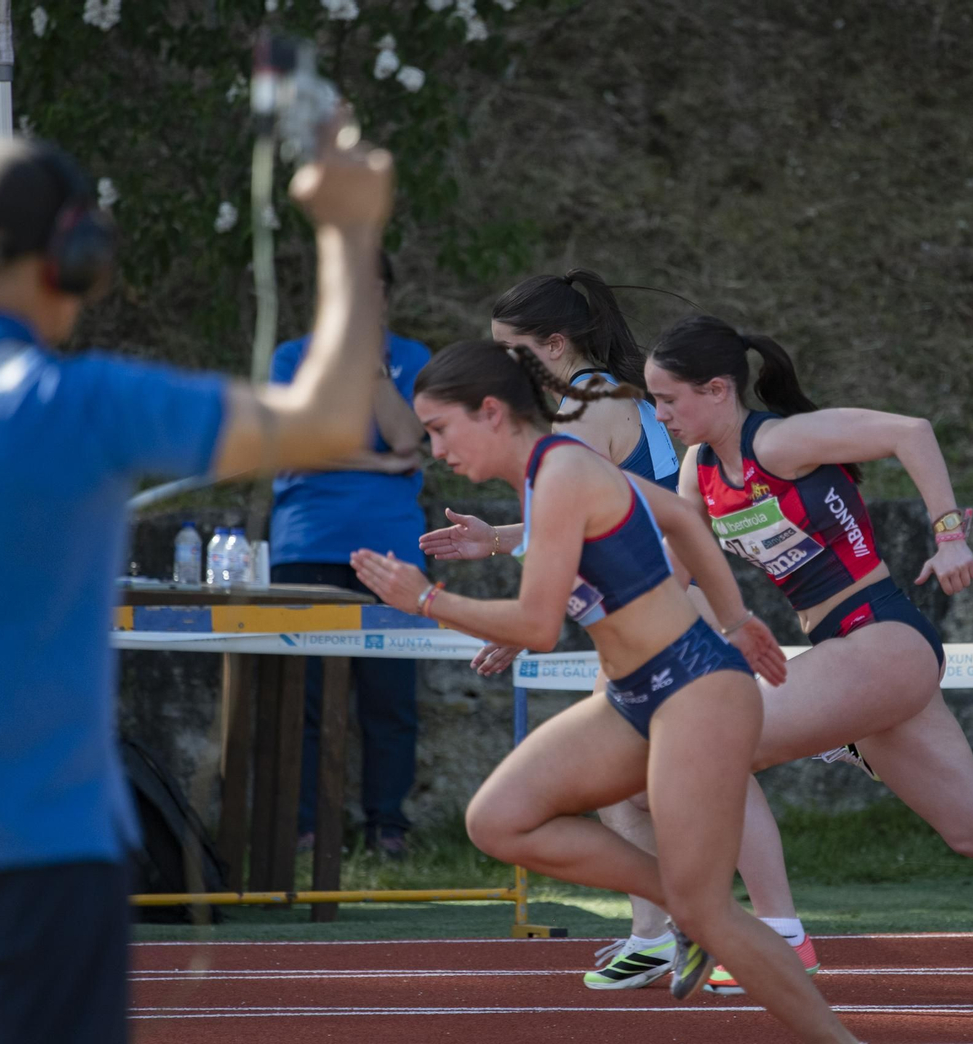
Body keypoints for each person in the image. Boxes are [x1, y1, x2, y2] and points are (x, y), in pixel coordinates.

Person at [428, 313, 973, 1003]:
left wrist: (950, 535)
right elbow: (652, 545)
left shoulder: (782, 439)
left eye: (669, 399)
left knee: (714, 737)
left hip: (884, 635)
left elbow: (911, 431)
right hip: (847, 654)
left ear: (716, 390)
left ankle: (778, 931)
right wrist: (515, 560)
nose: (659, 415)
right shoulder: (703, 471)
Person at [0, 129, 393, 1044]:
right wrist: (349, 231)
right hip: (45, 854)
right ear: (77, 259)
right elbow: (333, 420)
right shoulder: (80, 403)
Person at [350, 340, 860, 1044]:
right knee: (498, 819)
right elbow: (679, 517)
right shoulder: (552, 475)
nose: (435, 450)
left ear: (491, 412)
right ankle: (676, 898)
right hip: (633, 695)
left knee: (712, 912)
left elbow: (534, 622)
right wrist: (736, 617)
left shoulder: (562, 472)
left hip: (695, 689)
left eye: (439, 429)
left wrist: (428, 599)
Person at [425, 272, 815, 991]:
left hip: (660, 609)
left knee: (713, 778)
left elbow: (597, 517)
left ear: (553, 343)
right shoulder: (597, 399)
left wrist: (519, 620)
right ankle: (658, 930)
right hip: (636, 604)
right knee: (623, 790)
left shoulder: (587, 404)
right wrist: (503, 539)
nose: (499, 370)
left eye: (510, 352)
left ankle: (774, 926)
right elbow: (604, 509)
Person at [269, 251, 430, 857]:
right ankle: (307, 826)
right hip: (306, 542)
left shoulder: (413, 359)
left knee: (390, 697)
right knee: (302, 696)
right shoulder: (293, 357)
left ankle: (387, 825)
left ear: (386, 296)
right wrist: (378, 461)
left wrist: (373, 371)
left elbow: (410, 439)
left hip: (392, 543)